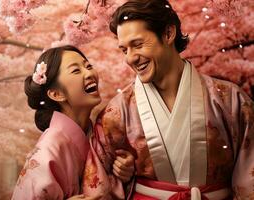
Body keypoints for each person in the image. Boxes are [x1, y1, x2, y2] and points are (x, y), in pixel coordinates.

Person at [87, 0, 254, 199]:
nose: (130, 58)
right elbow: (99, 185)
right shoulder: (116, 112)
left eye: (137, 44)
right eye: (124, 50)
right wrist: (124, 177)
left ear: (168, 34)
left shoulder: (230, 100)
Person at [11, 45, 135, 200]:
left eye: (88, 66)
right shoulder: (51, 145)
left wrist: (124, 172)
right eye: (76, 70)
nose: (89, 73)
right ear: (56, 94)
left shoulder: (97, 133)